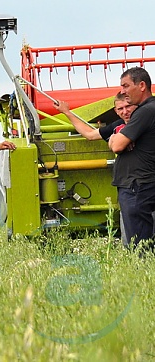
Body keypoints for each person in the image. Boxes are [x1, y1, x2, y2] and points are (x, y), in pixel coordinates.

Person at [53, 92, 137, 247]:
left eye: (128, 106)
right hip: (127, 184)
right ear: (116, 111)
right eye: (121, 108)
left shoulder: (147, 122)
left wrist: (113, 142)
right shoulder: (117, 127)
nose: (125, 111)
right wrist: (67, 112)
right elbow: (90, 134)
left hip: (147, 182)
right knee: (130, 230)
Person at [109, 67, 155, 250]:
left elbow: (118, 145)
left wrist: (116, 139)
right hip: (143, 183)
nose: (123, 91)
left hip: (138, 186)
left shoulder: (145, 111)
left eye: (126, 86)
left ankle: (144, 275)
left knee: (140, 245)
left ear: (142, 85)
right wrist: (116, 138)